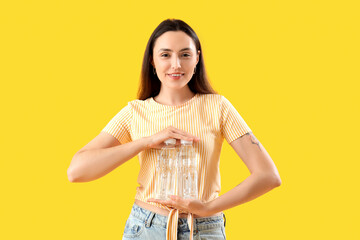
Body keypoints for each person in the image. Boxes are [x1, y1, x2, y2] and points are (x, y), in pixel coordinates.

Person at [67, 19, 282, 240]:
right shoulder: (135, 112)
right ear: (152, 60)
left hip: (205, 230)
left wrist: (208, 208)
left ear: (197, 57)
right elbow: (77, 171)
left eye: (185, 54)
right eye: (165, 55)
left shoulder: (218, 107)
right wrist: (146, 142)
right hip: (146, 228)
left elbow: (268, 176)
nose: (176, 64)